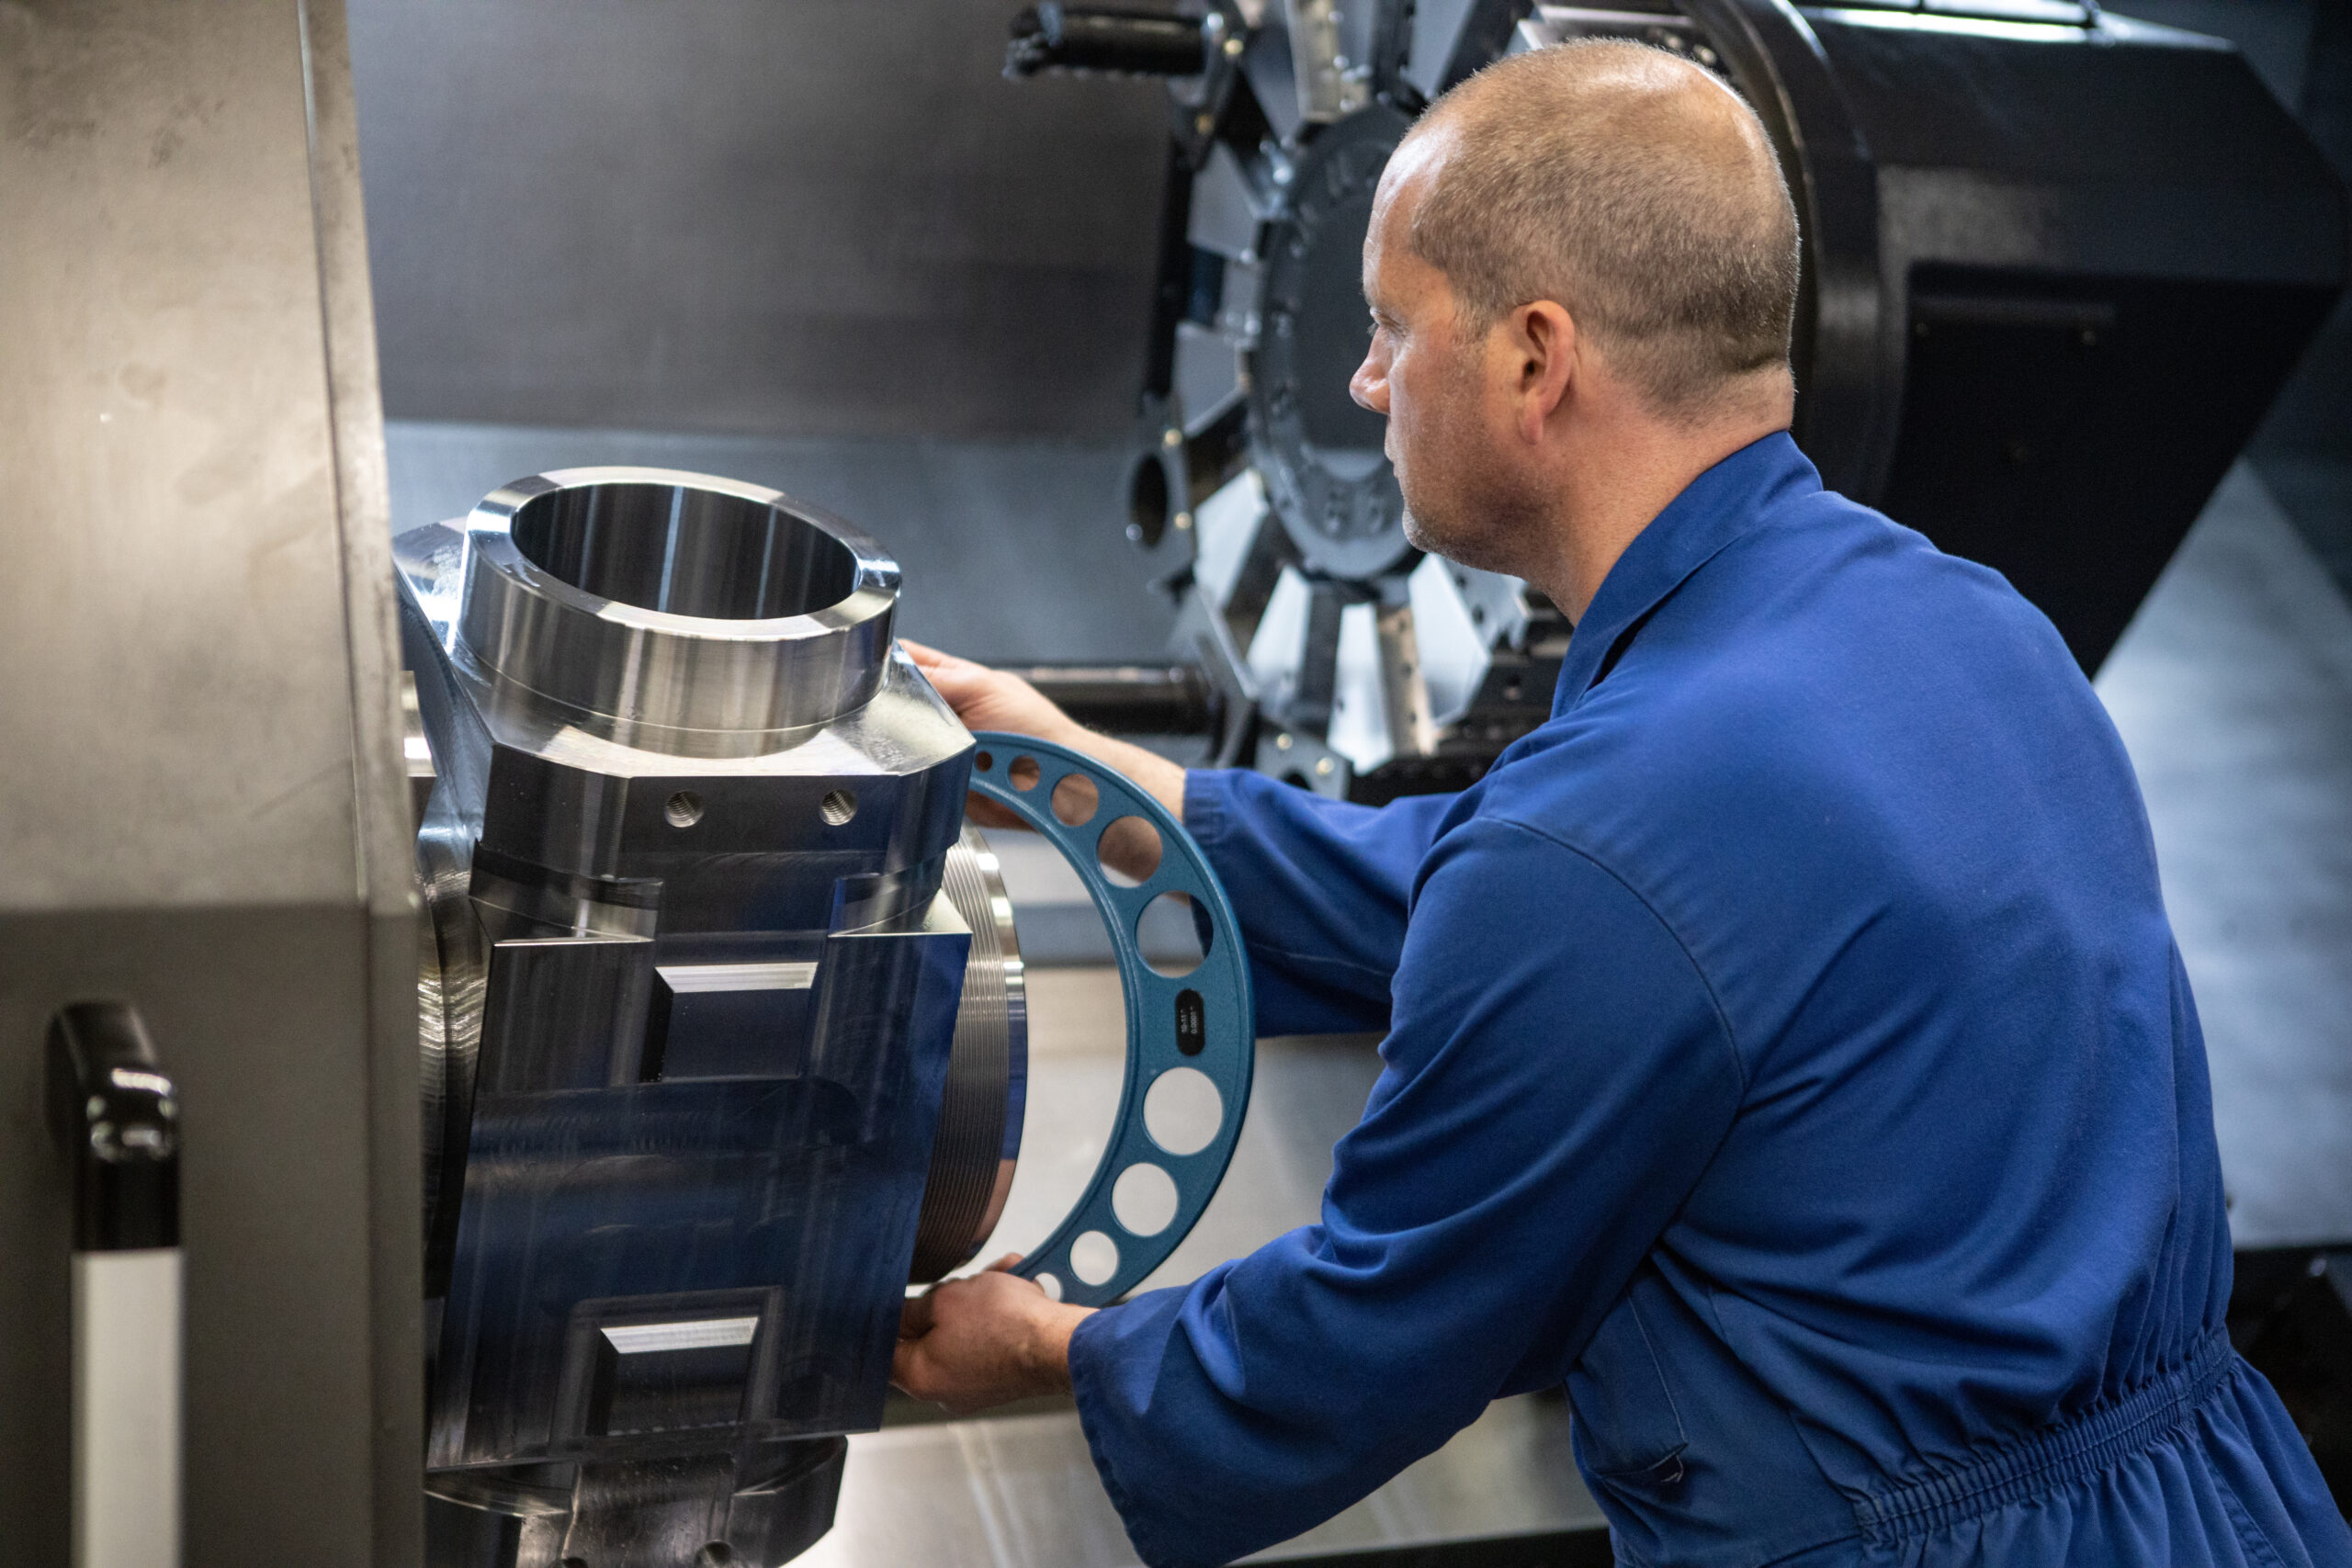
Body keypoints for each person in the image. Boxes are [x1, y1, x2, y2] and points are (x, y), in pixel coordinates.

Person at [893, 39, 2352, 1568]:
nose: (1365, 380)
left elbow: (1375, 1325)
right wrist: (1112, 792)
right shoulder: (1966, 623)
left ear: (1536, 359)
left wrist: (1058, 1351)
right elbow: (1564, 915)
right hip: (2227, 1502)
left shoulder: (1605, 839)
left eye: (1394, 325)